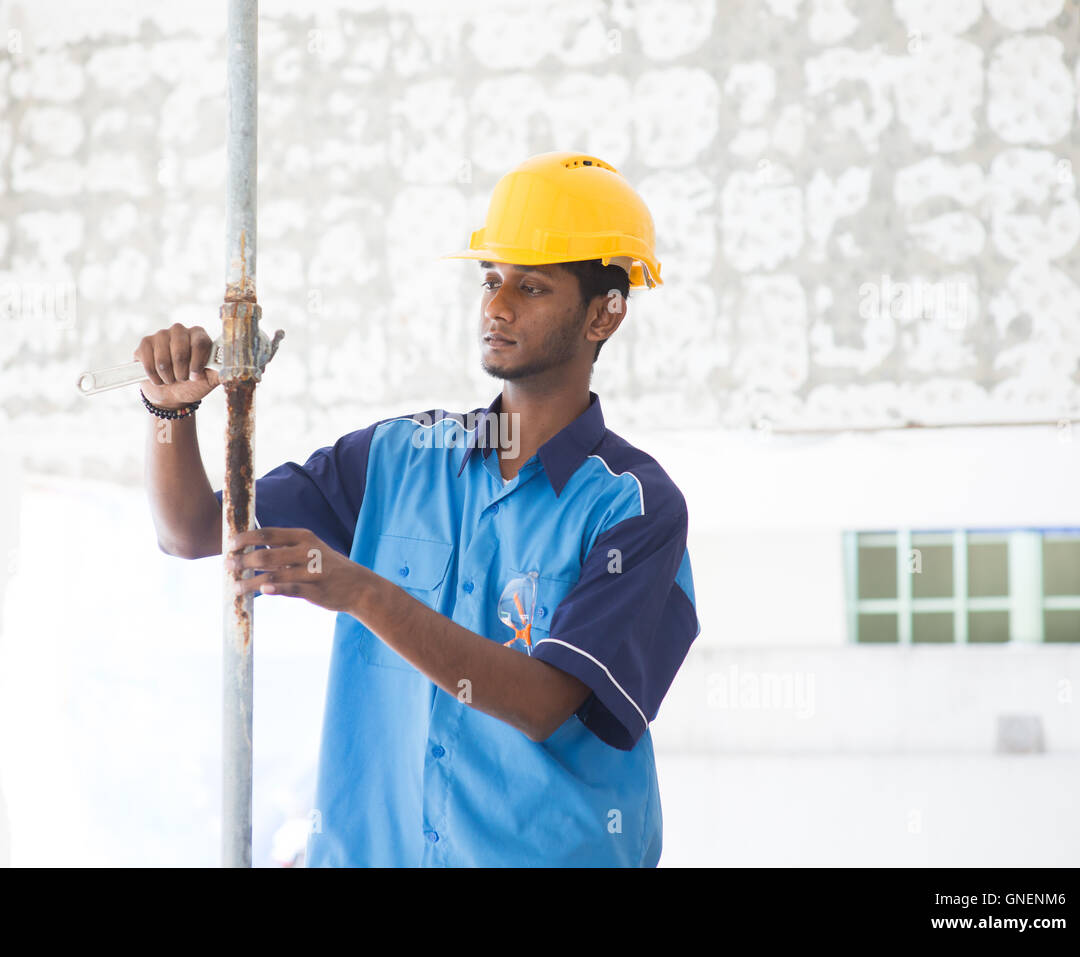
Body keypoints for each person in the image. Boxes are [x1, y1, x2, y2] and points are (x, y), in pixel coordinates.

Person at [137, 151, 700, 867]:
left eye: (532, 287)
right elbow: (189, 529)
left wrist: (361, 589)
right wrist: (168, 412)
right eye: (491, 279)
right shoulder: (398, 459)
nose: (497, 306)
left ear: (603, 315)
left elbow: (543, 703)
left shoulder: (633, 509)